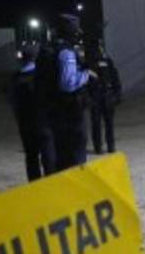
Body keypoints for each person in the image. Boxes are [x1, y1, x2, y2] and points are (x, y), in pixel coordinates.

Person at [50, 14, 94, 170]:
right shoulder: (66, 52)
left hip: (58, 111)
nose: (78, 35)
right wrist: (86, 75)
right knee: (75, 155)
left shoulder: (51, 48)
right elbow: (68, 84)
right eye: (76, 32)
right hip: (70, 111)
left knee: (63, 154)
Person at [8, 40, 53, 180]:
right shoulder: (42, 76)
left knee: (31, 156)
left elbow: (12, 103)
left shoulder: (14, 79)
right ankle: (52, 185)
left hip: (25, 123)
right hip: (44, 122)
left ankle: (34, 186)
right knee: (48, 155)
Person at [86, 40, 123, 153]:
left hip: (106, 95)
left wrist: (117, 94)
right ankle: (99, 147)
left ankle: (109, 146)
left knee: (107, 123)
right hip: (97, 96)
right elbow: (86, 82)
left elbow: (115, 77)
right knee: (98, 123)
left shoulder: (107, 61)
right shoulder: (89, 63)